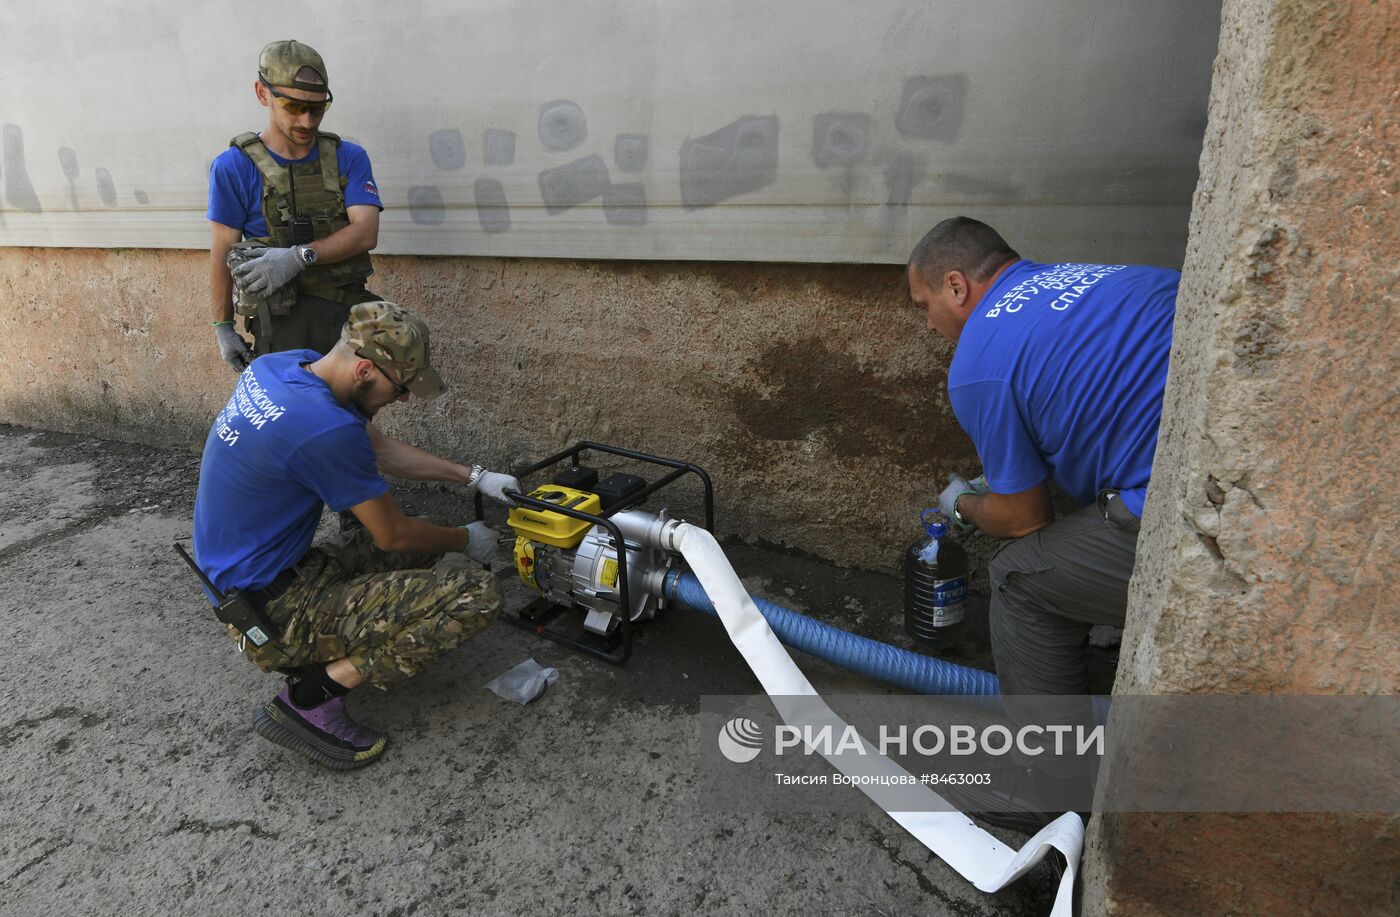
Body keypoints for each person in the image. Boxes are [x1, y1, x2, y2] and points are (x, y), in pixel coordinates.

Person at [906, 216, 1178, 827]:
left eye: (924, 304)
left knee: (1019, 579)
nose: (928, 324)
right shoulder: (1108, 279)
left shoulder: (978, 364)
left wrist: (963, 504)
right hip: (1248, 476)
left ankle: (1055, 794)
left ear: (957, 286)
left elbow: (1025, 519)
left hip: (1192, 523)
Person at [191, 301, 523, 770]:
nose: (403, 399)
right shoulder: (323, 428)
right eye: (401, 387)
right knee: (474, 595)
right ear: (365, 368)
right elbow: (393, 536)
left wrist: (475, 476)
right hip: (269, 617)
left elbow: (378, 448)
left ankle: (322, 656)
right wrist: (464, 539)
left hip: (248, 584)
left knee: (416, 549)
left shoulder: (282, 367)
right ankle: (310, 700)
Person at [208, 39, 383, 373]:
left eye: (317, 109)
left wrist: (297, 257)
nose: (306, 121)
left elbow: (365, 232)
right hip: (281, 328)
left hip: (348, 321)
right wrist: (223, 327)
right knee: (292, 421)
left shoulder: (348, 157)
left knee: (349, 421)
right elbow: (221, 249)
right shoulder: (234, 167)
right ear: (263, 94)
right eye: (293, 106)